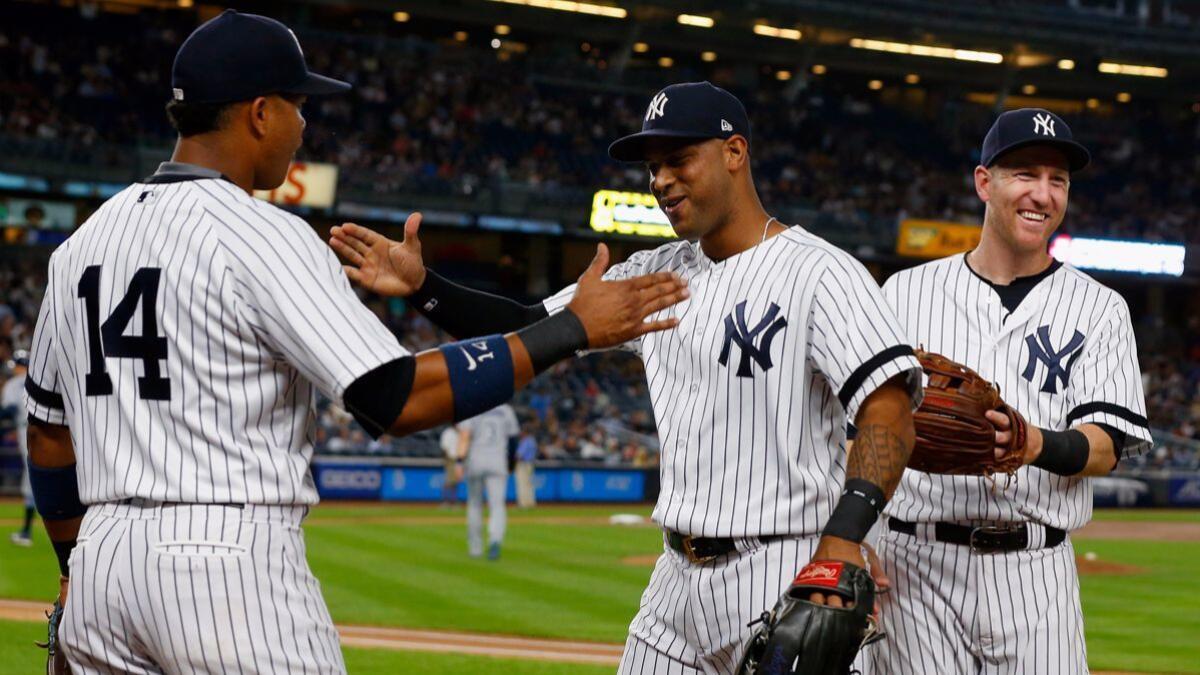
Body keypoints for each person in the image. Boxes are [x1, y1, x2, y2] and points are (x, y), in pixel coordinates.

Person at [21, 11, 687, 674]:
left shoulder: (84, 243)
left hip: (101, 565)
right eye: (297, 104)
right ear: (258, 112)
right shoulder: (261, 233)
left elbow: (49, 434)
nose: (304, 124)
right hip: (223, 561)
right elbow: (393, 396)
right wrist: (572, 329)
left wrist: (73, 562)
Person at [330, 81, 923, 673]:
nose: (661, 180)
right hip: (674, 581)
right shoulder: (652, 275)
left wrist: (843, 539)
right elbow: (523, 326)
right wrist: (425, 288)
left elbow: (887, 405)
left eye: (679, 159)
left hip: (782, 566)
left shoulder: (820, 272)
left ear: (735, 152)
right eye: (653, 167)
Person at [868, 108, 1152, 674]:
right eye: (1025, 174)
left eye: (1058, 180)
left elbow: (1107, 446)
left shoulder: (1099, 308)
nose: (1042, 194)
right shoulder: (903, 293)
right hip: (912, 567)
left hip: (1034, 570)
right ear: (983, 182)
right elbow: (862, 426)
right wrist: (856, 536)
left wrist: (1033, 443)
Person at [458, 403, 519, 559]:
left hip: (475, 460)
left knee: (474, 504)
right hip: (498, 461)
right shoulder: (506, 410)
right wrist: (511, 464)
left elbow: (464, 436)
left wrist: (459, 462)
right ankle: (495, 541)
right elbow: (513, 441)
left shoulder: (472, 407)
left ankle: (475, 548)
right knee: (497, 505)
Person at [4, 350, 33, 546]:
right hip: (46, 429)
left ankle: (26, 532)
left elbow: (8, 410)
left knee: (31, 480)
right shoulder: (36, 379)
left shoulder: (14, 384)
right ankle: (26, 531)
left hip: (26, 432)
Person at [514, 422, 538, 508]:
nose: (521, 432)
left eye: (522, 431)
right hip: (530, 464)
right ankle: (530, 503)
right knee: (529, 484)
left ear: (525, 432)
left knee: (522, 484)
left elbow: (519, 455)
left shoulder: (526, 440)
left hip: (523, 464)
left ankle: (523, 504)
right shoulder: (533, 440)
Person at [438, 424, 462, 506]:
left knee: (455, 482)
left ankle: (453, 501)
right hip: (450, 459)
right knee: (449, 481)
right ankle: (444, 501)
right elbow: (444, 447)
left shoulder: (459, 433)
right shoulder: (448, 432)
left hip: (457, 459)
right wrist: (447, 460)